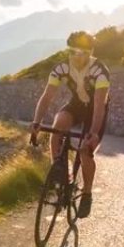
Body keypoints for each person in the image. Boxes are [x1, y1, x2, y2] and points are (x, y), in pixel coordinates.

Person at [29, 31, 110, 218]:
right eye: (72, 52)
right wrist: (36, 122)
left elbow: (99, 105)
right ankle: (58, 170)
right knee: (58, 126)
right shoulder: (61, 68)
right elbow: (47, 96)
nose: (76, 56)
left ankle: (87, 194)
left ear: (89, 53)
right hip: (77, 105)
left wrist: (94, 132)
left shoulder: (100, 71)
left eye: (81, 52)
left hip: (96, 110)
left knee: (85, 151)